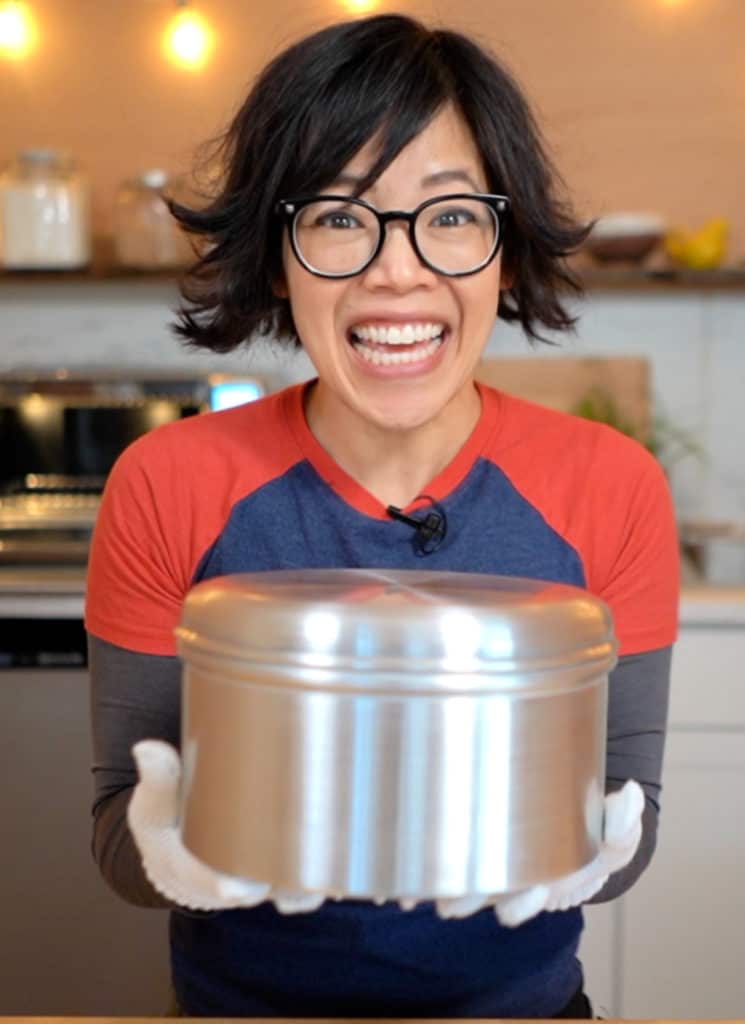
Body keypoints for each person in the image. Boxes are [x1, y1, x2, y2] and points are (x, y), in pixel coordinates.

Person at [86, 13, 679, 1019]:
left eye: (449, 216)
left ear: (503, 247)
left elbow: (628, 821)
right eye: (338, 216)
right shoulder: (166, 482)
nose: (396, 270)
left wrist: (593, 851)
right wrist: (175, 845)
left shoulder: (610, 485)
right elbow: (116, 837)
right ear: (278, 255)